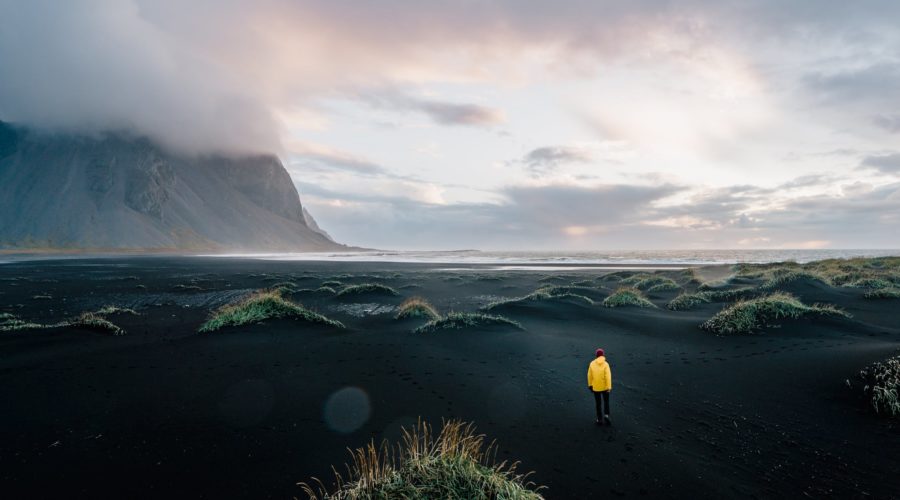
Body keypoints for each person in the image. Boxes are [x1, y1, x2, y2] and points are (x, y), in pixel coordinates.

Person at [587, 348, 612, 426]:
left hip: (596, 387)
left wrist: (590, 385)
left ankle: (599, 419)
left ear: (596, 355)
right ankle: (606, 415)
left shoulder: (592, 363)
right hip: (605, 387)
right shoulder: (606, 364)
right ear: (603, 355)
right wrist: (609, 387)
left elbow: (589, 376)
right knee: (606, 401)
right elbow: (608, 377)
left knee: (598, 403)